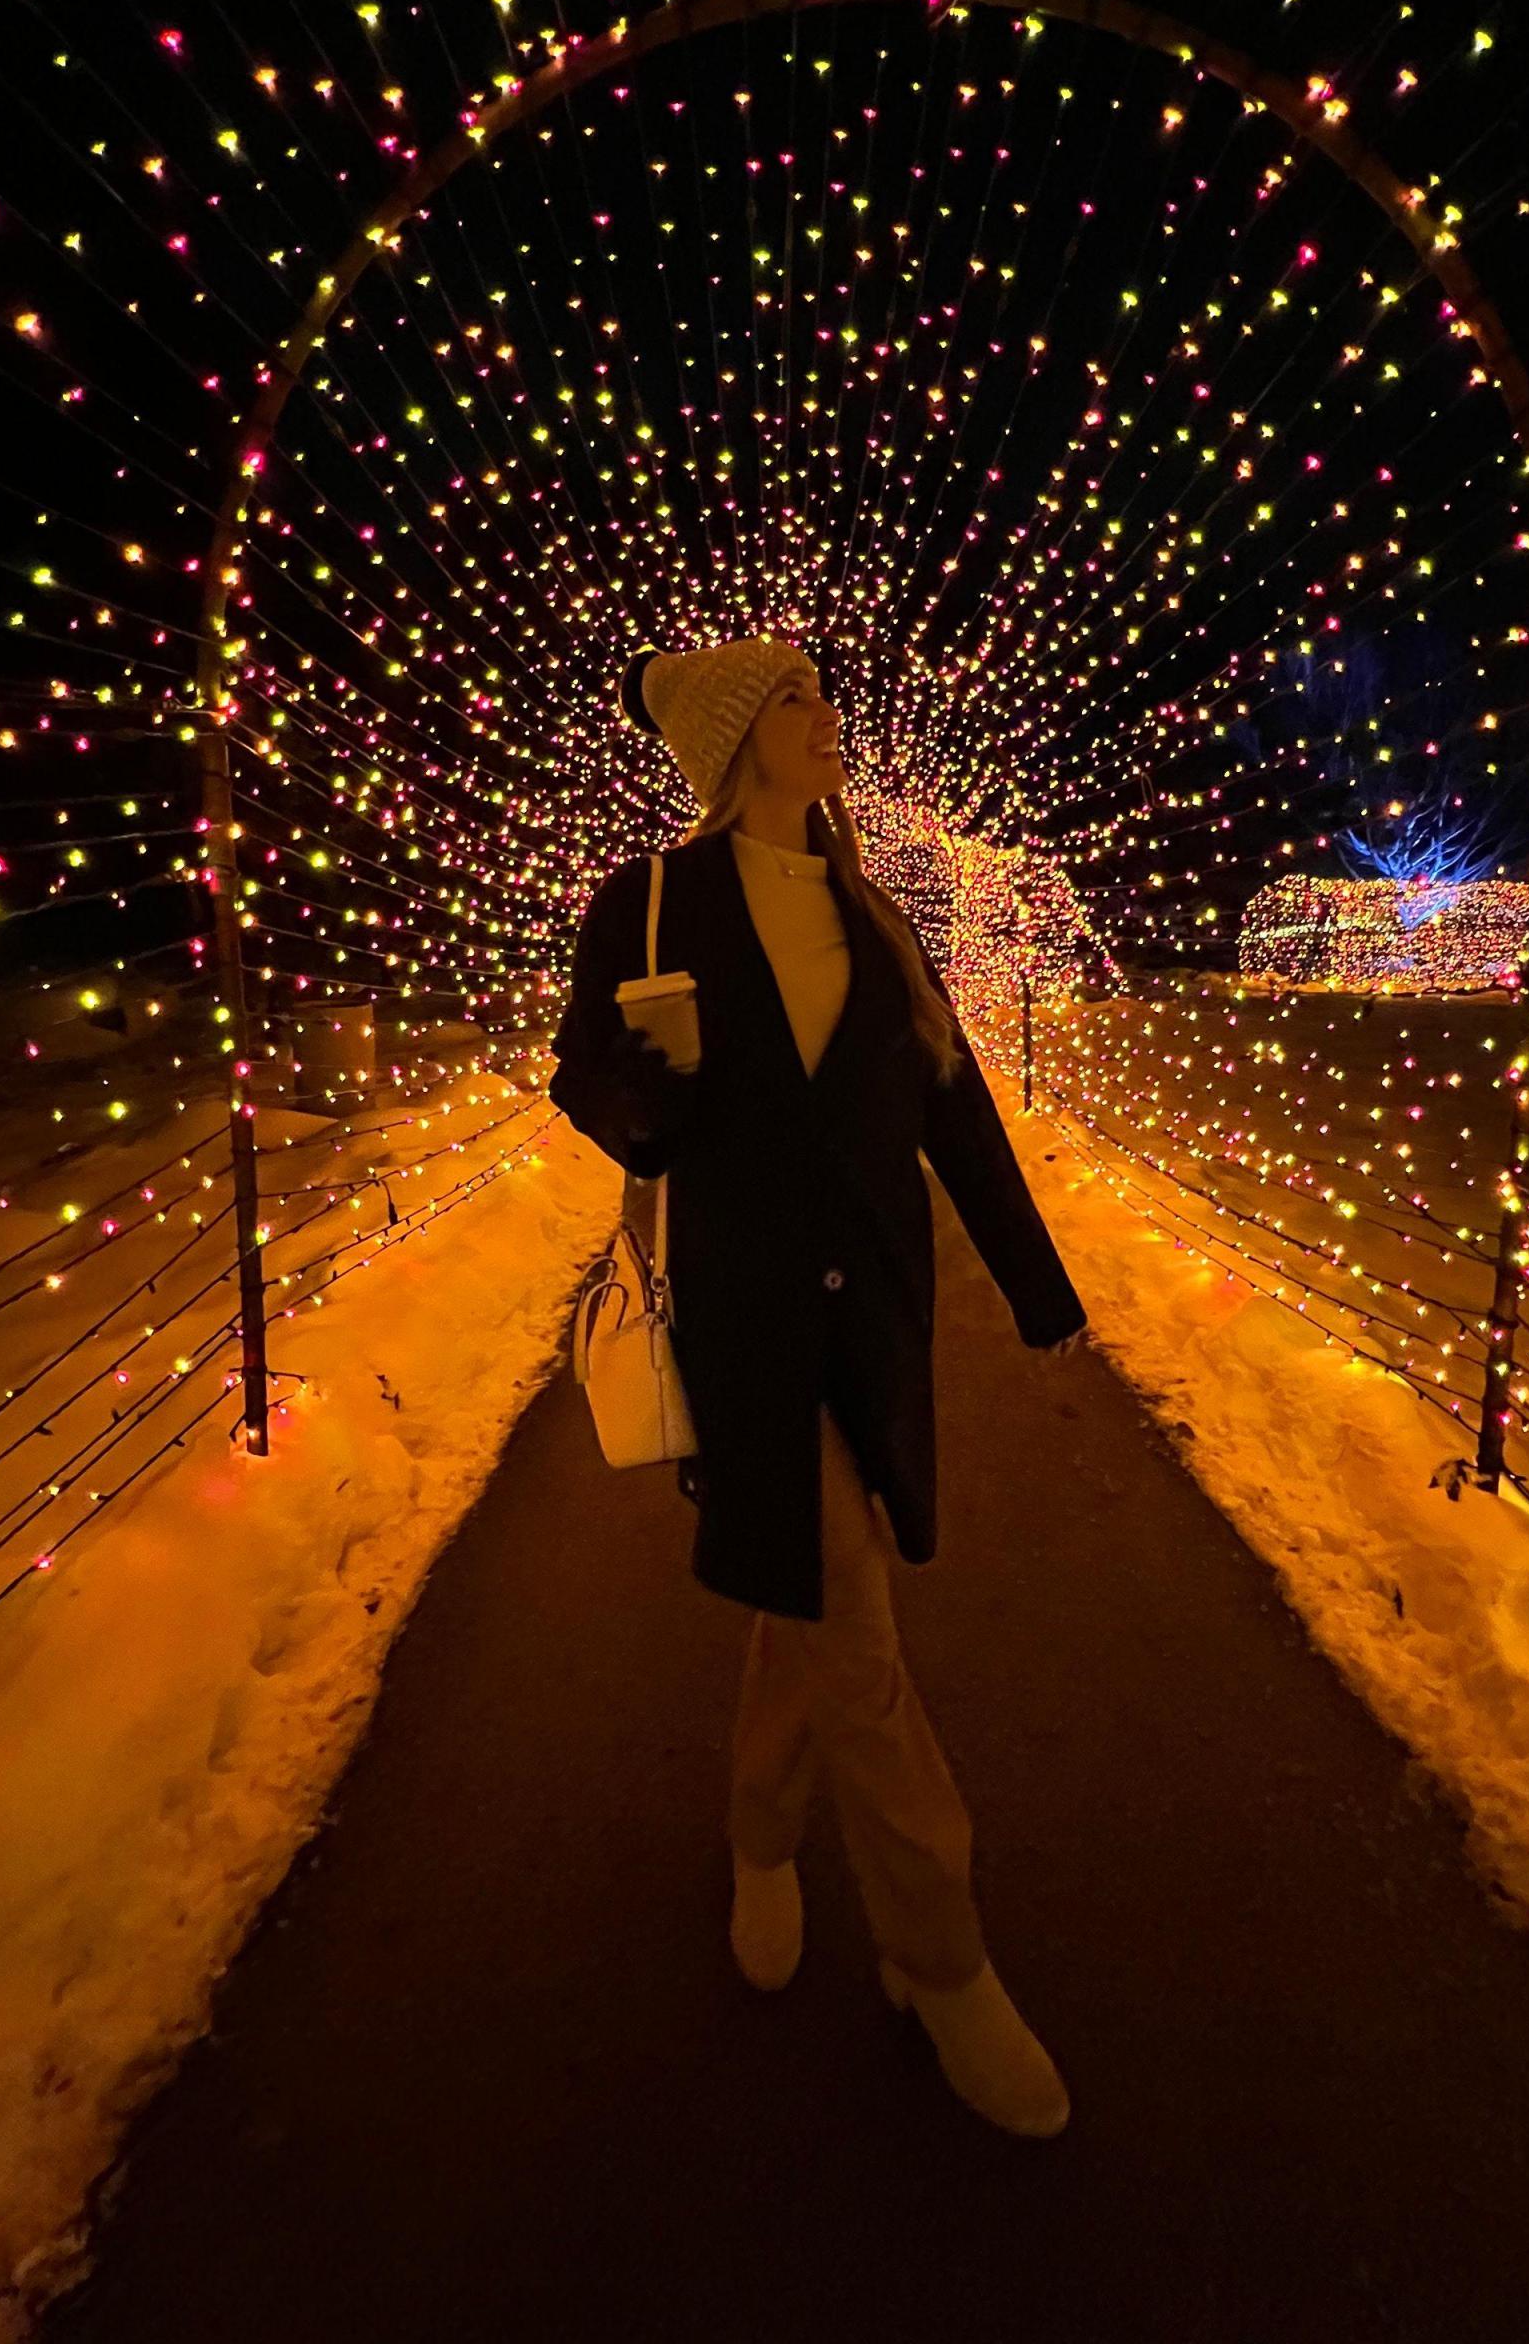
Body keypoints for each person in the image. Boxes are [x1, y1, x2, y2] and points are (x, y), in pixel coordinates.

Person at [547, 636, 1089, 2139]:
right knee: (859, 1633)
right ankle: (944, 1958)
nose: (821, 714)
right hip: (747, 1328)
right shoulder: (651, 901)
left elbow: (955, 1108)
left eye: (816, 693)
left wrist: (1040, 1292)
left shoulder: (876, 915)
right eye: (788, 699)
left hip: (879, 1325)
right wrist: (656, 1071)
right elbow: (590, 1089)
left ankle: (762, 1839)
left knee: (812, 1597)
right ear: (732, 747)